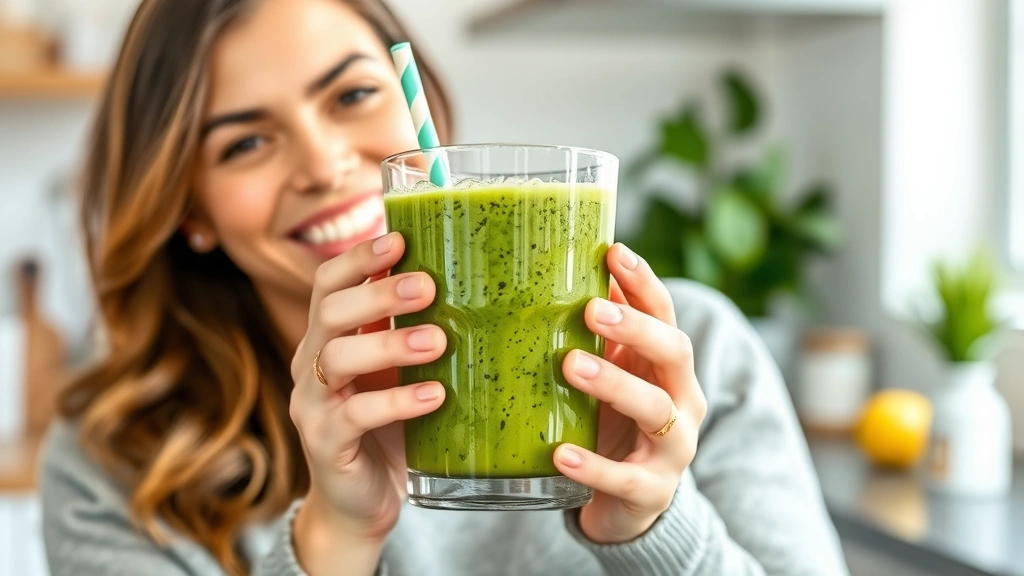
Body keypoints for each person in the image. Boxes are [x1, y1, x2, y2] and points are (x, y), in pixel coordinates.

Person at [39, 0, 850, 575]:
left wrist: (653, 527)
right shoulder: (114, 461)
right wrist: (334, 541)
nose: (323, 164)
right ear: (190, 210)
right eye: (245, 143)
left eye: (353, 95)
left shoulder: (688, 358)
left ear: (424, 101)